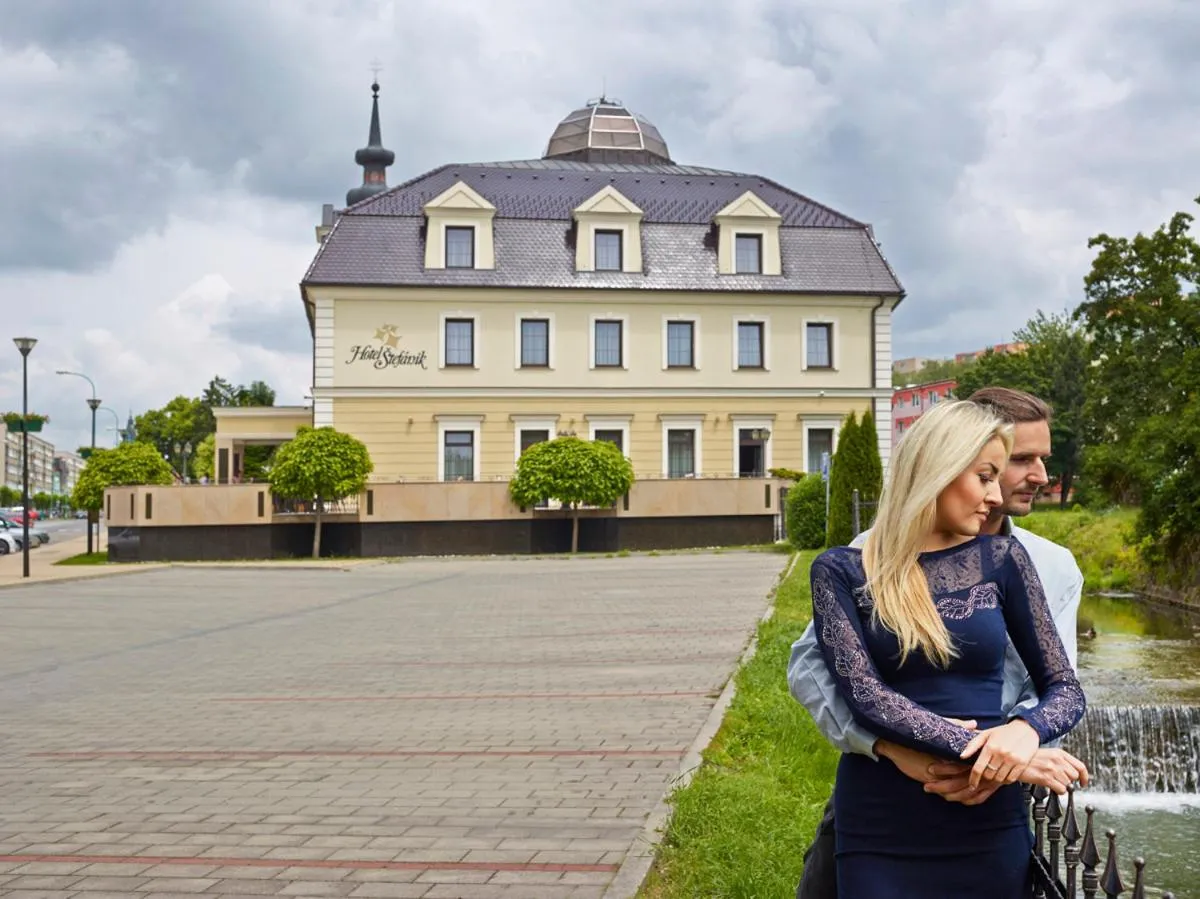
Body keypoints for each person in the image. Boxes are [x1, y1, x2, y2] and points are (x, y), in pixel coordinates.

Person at [789, 387, 1087, 899]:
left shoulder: (1025, 562)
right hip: (883, 806)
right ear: (942, 467)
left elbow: (1061, 685)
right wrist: (906, 748)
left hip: (989, 810)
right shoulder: (851, 564)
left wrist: (1019, 741)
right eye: (1000, 469)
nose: (1036, 476)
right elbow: (842, 682)